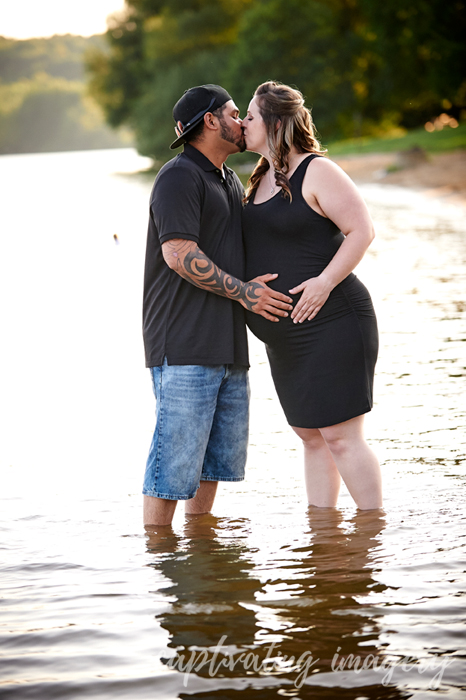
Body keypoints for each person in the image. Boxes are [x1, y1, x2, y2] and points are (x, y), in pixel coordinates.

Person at [142, 84, 293, 527]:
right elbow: (178, 254)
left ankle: (203, 559)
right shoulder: (179, 176)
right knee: (172, 469)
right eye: (233, 112)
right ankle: (162, 565)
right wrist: (246, 292)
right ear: (210, 121)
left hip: (226, 346)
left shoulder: (226, 177)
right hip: (184, 344)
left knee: (213, 467)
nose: (241, 120)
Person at [241, 81, 382, 510]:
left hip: (335, 320)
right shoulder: (260, 177)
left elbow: (362, 231)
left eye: (250, 115)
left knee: (340, 436)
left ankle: (372, 534)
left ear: (275, 122)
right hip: (288, 338)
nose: (243, 123)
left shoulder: (317, 170)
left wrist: (323, 281)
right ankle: (324, 541)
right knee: (311, 438)